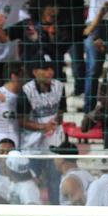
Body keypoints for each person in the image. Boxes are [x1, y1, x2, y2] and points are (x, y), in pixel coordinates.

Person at [17, 52, 65, 205]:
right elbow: (21, 121)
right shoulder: (26, 91)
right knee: (31, 182)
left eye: (51, 68)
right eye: (44, 69)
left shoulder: (59, 86)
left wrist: (55, 122)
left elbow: (61, 112)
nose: (49, 72)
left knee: (55, 182)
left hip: (54, 144)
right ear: (35, 72)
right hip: (32, 146)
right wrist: (43, 126)